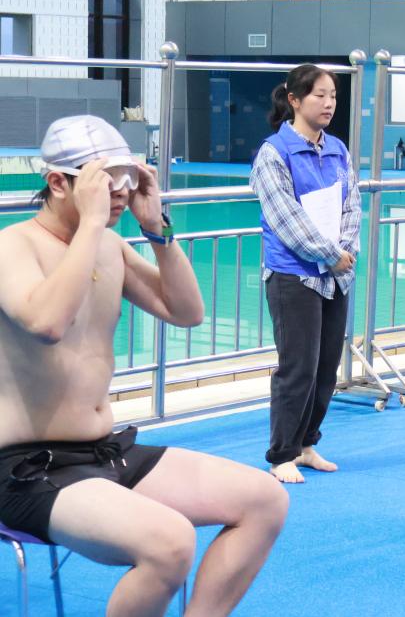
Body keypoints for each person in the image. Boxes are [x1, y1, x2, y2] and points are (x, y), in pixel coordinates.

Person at [0, 115, 288, 617]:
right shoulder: (12, 246)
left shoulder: (109, 247)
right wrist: (92, 225)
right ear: (59, 183)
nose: (120, 192)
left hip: (103, 452)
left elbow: (187, 312)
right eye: (105, 180)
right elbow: (47, 322)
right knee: (169, 542)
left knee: (265, 499)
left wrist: (157, 229)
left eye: (127, 177)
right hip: (25, 468)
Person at [250, 65, 361, 483]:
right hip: (293, 275)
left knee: (326, 366)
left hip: (335, 275)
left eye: (333, 95)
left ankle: (307, 444)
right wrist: (328, 255)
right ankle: (282, 454)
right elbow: (285, 218)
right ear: (294, 100)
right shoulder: (273, 153)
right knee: (297, 367)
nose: (329, 103)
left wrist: (344, 251)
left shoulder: (338, 150)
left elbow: (352, 203)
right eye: (319, 95)